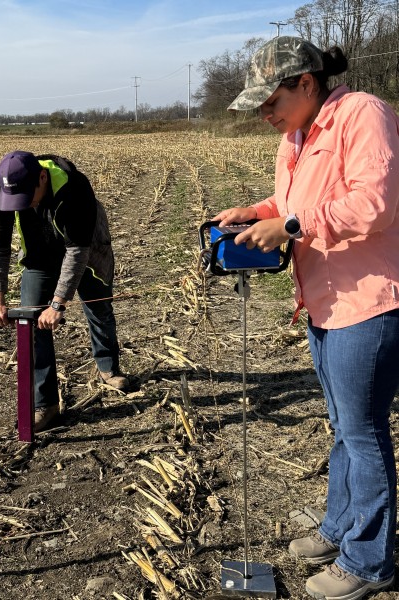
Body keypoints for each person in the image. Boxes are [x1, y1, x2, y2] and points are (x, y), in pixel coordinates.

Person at [216, 36, 399, 599]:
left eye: (270, 102)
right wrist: (259, 212)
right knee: (346, 427)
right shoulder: (296, 138)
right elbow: (293, 203)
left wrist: (291, 227)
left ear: (306, 82)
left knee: (364, 434)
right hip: (321, 301)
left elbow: (377, 203)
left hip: (367, 302)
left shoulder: (361, 114)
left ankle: (369, 562)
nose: (265, 115)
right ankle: (341, 528)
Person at [0, 150, 128, 432]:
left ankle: (108, 367)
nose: (23, 205)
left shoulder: (75, 188)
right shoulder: (4, 192)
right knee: (31, 323)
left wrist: (59, 303)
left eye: (27, 196)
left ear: (42, 177)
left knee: (98, 306)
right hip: (40, 257)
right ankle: (46, 404)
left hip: (88, 249)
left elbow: (77, 253)